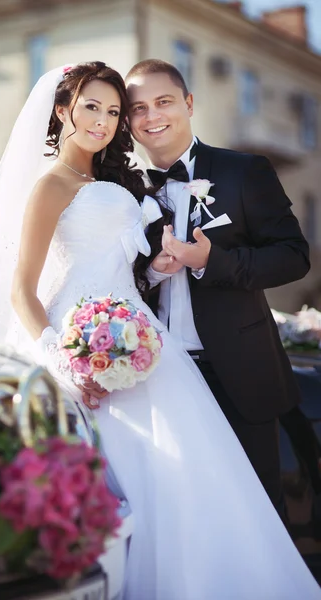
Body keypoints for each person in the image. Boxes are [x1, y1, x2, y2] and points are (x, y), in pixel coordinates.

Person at [0, 62, 321, 600]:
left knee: (211, 496)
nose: (112, 122)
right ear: (63, 111)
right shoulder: (72, 184)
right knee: (143, 493)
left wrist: (191, 263)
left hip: (185, 357)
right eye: (106, 109)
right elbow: (25, 288)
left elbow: (293, 257)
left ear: (188, 103)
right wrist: (65, 357)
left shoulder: (212, 175)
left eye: (114, 111)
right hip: (100, 348)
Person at [125, 58, 310, 523]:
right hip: (157, 379)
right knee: (179, 519)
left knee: (258, 517)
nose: (152, 117)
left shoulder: (244, 172)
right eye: (138, 108)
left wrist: (214, 262)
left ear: (188, 103)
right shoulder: (121, 192)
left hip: (240, 373)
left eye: (164, 102)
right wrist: (153, 273)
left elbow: (293, 255)